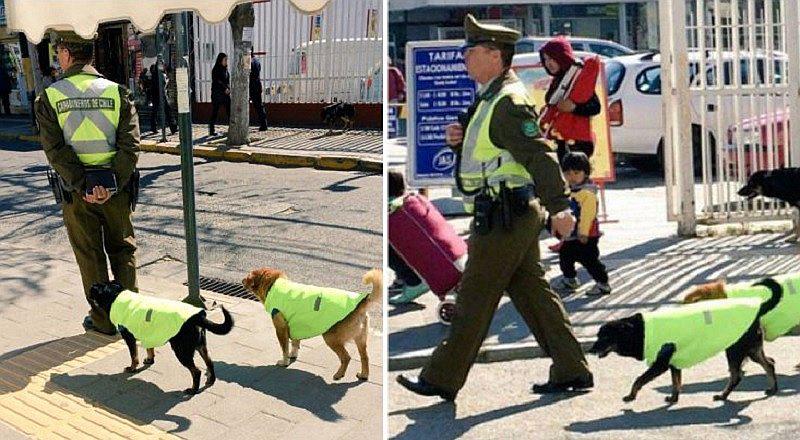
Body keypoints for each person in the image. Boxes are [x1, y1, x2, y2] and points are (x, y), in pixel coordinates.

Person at [396, 15, 593, 400]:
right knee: (534, 294)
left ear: (494, 55)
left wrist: (560, 207)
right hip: (505, 211)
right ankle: (571, 368)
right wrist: (458, 139)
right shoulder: (491, 95)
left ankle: (441, 377)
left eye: (471, 51)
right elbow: (490, 150)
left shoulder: (508, 102)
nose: (465, 57)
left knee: (472, 295)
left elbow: (539, 156)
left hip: (506, 214)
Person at [35, 31, 140, 335]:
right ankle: (130, 319)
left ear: (66, 53)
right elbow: (130, 146)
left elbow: (55, 151)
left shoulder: (50, 98)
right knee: (123, 250)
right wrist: (110, 185)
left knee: (90, 255)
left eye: (58, 52)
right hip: (117, 192)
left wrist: (83, 185)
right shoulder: (118, 93)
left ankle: (104, 320)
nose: (58, 57)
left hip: (76, 195)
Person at [554, 152, 610, 296]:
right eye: (567, 173)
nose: (571, 176)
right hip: (571, 233)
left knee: (589, 260)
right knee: (565, 255)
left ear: (585, 173)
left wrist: (583, 232)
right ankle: (570, 279)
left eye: (576, 173)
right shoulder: (570, 190)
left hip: (586, 233)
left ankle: (603, 283)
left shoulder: (587, 193)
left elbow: (588, 215)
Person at [539, 36, 601, 163]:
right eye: (545, 59)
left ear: (562, 57)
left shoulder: (576, 78)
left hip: (576, 143)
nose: (548, 63)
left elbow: (595, 107)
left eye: (552, 58)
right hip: (560, 140)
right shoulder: (558, 79)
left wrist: (574, 108)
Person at [387, 170, 429, 304]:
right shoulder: (409, 199)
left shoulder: (391, 206)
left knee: (388, 250)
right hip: (421, 244)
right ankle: (402, 279)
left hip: (408, 247)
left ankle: (413, 281)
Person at [149, 62, 177, 135]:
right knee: (167, 111)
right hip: (160, 94)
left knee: (156, 111)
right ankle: (173, 127)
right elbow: (162, 84)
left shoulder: (155, 74)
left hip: (156, 95)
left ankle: (154, 128)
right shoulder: (159, 74)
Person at [209, 52, 230, 135]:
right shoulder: (216, 69)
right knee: (215, 111)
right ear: (220, 60)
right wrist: (225, 88)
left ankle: (231, 127)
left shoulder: (225, 69)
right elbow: (217, 81)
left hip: (225, 94)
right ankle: (211, 130)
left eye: (226, 60)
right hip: (217, 94)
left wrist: (229, 89)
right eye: (225, 60)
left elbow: (227, 81)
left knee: (229, 110)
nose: (226, 62)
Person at [250, 54, 268, 131]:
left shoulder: (248, 60)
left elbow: (247, 74)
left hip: (250, 85)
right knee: (259, 106)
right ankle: (264, 124)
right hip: (257, 84)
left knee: (244, 106)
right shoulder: (257, 60)